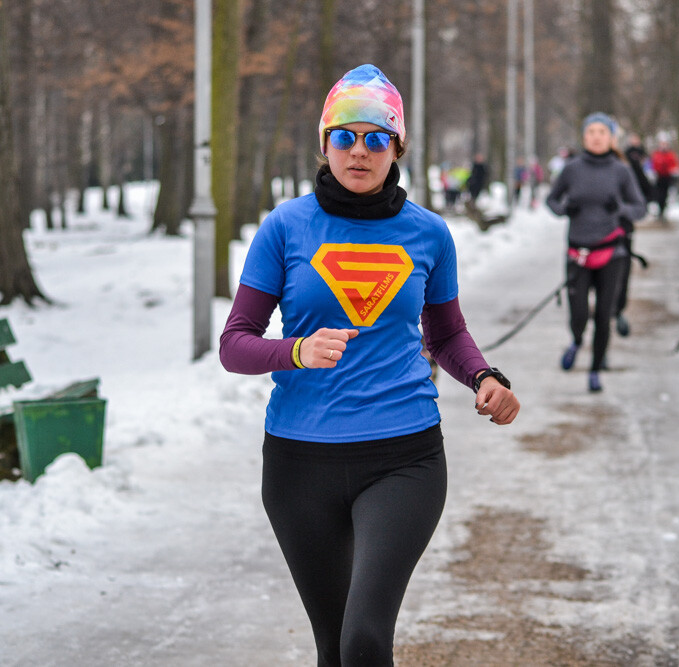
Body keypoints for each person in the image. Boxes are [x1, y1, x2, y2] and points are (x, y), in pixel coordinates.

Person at [219, 64, 520, 666]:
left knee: (364, 637)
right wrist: (296, 351)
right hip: (299, 462)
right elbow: (235, 344)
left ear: (397, 148)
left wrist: (485, 377)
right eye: (345, 136)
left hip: (403, 456)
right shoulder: (285, 228)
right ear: (325, 144)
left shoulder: (429, 233)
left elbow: (446, 333)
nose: (360, 150)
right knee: (333, 647)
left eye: (377, 138)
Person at [545, 112, 646, 392]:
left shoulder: (621, 171)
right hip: (578, 254)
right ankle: (577, 340)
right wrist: (565, 209)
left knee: (604, 315)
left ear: (611, 137)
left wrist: (621, 210)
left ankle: (595, 370)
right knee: (578, 314)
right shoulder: (572, 169)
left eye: (602, 132)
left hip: (611, 254)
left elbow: (640, 208)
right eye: (591, 132)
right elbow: (551, 200)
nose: (596, 137)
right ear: (584, 137)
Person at [613, 133, 654, 339]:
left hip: (623, 231)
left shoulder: (628, 168)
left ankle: (617, 310)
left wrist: (624, 209)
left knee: (622, 271)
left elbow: (644, 197)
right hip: (592, 236)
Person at [650, 138, 679, 220]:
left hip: (667, 177)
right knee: (658, 194)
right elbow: (653, 164)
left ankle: (662, 210)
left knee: (664, 194)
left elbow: (674, 165)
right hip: (658, 177)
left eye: (665, 144)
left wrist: (672, 170)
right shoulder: (656, 154)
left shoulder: (670, 154)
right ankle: (659, 209)